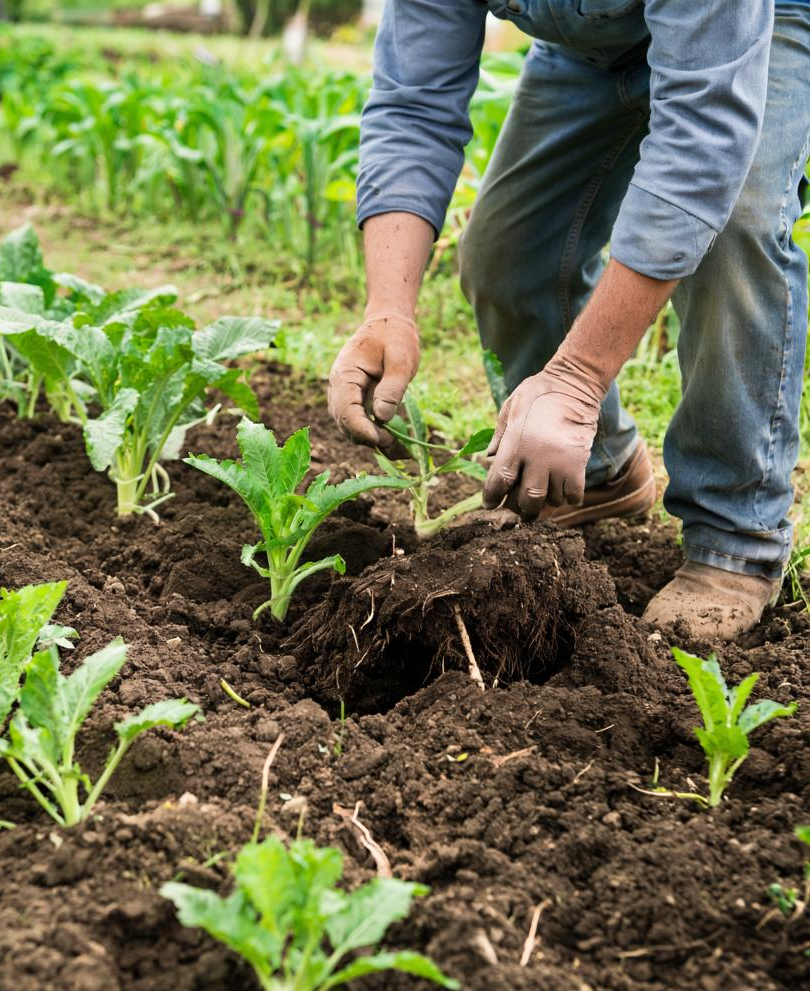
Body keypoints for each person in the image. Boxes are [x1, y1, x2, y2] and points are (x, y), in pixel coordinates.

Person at [327, 0, 810, 641]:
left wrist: (577, 379)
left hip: (757, 33)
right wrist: (388, 310)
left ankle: (735, 535)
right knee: (505, 255)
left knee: (734, 227)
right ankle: (598, 473)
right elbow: (413, 104)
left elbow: (703, 135)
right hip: (585, 47)